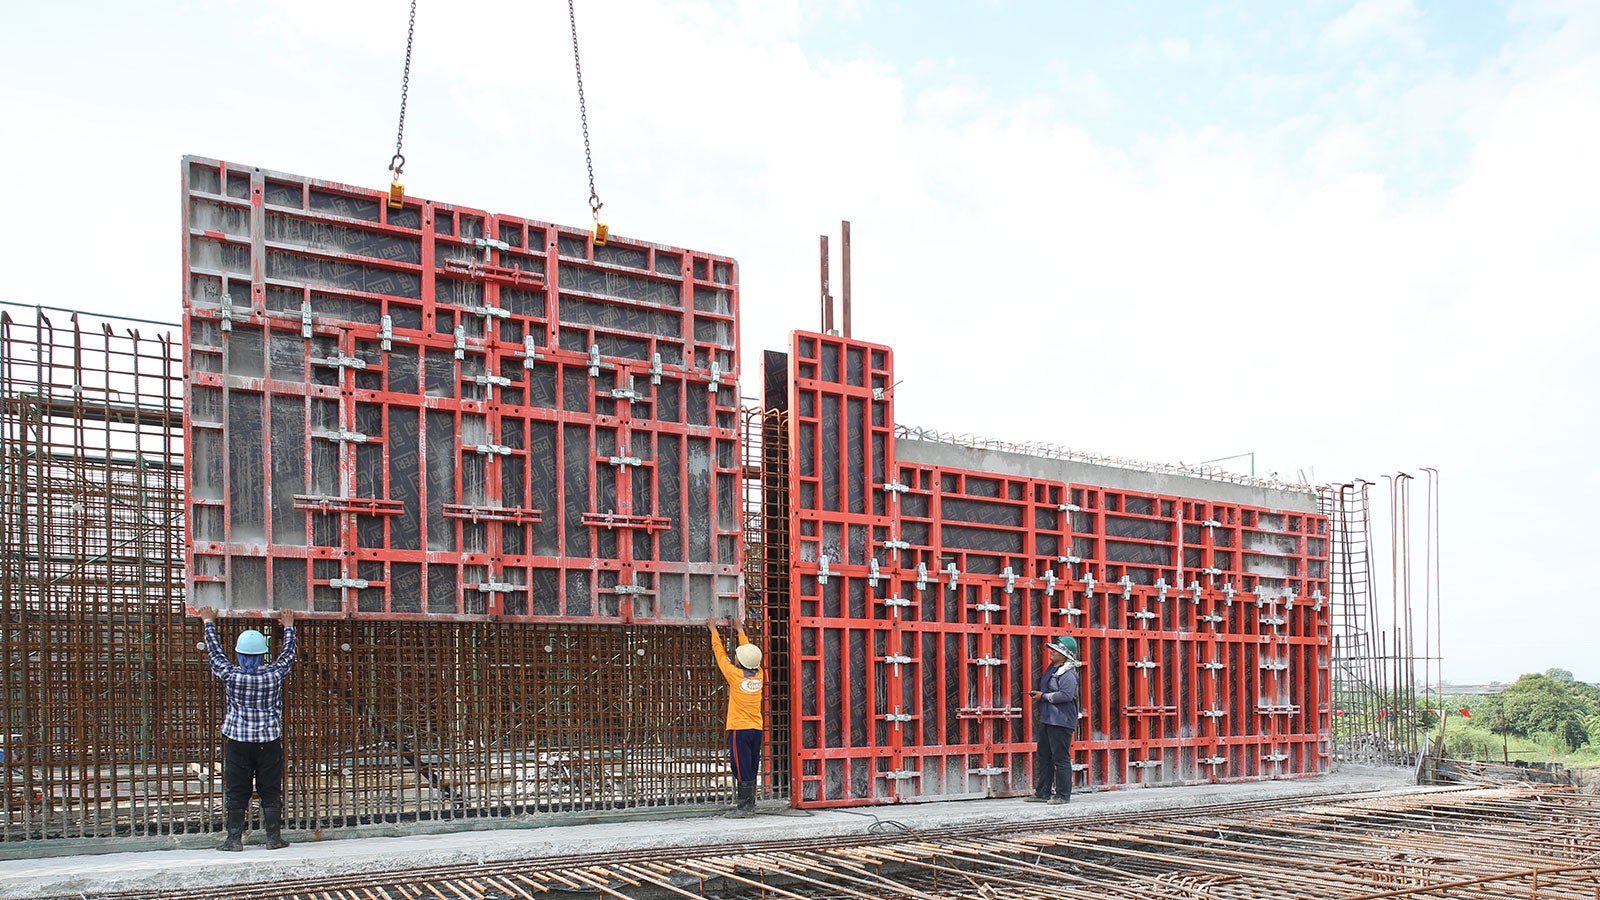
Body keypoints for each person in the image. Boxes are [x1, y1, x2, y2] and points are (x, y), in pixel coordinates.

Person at [197, 606, 298, 851]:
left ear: (239, 654)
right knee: (270, 789)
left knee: (237, 790)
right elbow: (288, 655)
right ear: (263, 655)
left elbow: (215, 654)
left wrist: (208, 622)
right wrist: (288, 626)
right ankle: (273, 838)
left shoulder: (231, 675)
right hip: (268, 741)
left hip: (238, 742)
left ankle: (233, 840)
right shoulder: (273, 675)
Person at [707, 616, 764, 817]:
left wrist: (714, 632)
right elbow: (749, 656)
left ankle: (744, 808)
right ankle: (750, 805)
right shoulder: (760, 674)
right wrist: (741, 631)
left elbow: (720, 655)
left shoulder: (735, 676)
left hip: (740, 729)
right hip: (756, 729)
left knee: (740, 766)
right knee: (751, 765)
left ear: (740, 661)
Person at [1026, 634, 1080, 805]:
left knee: (1060, 758)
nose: (1052, 652)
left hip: (1061, 721)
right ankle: (1043, 792)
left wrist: (1043, 696)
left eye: (1056, 651)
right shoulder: (1053, 669)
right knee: (1044, 756)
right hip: (1049, 719)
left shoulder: (1068, 674)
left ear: (1065, 655)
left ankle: (1063, 795)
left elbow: (1066, 695)